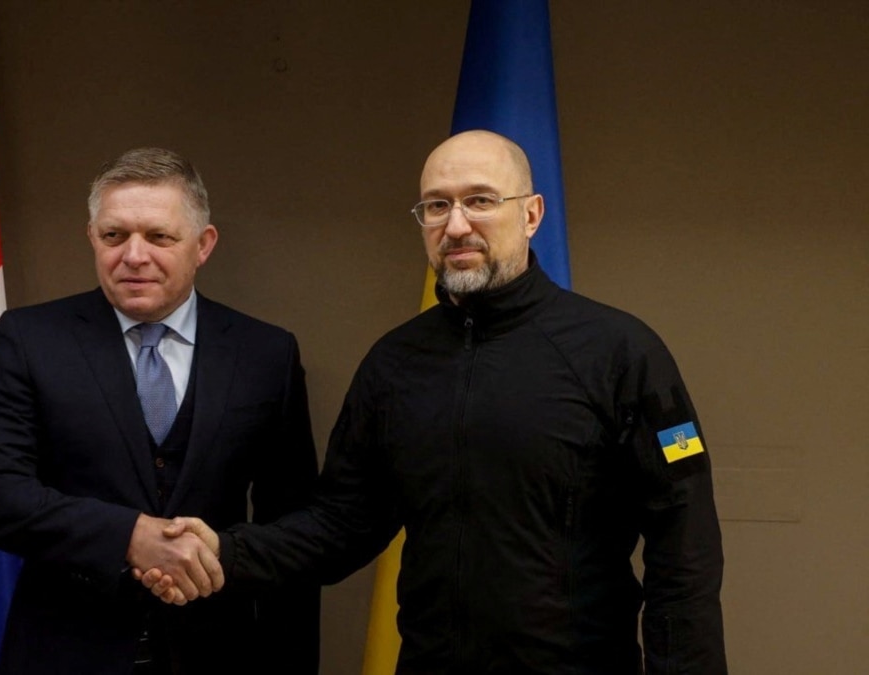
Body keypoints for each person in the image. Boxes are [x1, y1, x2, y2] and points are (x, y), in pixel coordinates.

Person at [142, 130, 727, 674]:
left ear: (531, 214)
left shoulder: (619, 352)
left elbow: (685, 545)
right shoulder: (394, 364)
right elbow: (340, 525)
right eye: (437, 206)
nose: (456, 225)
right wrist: (225, 550)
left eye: (480, 201)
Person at [0, 147, 320, 675]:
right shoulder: (30, 340)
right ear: (92, 237)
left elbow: (296, 526)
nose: (133, 255)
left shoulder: (266, 353)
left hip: (219, 653)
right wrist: (130, 536)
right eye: (114, 235)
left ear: (203, 245)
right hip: (67, 651)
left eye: (159, 236)